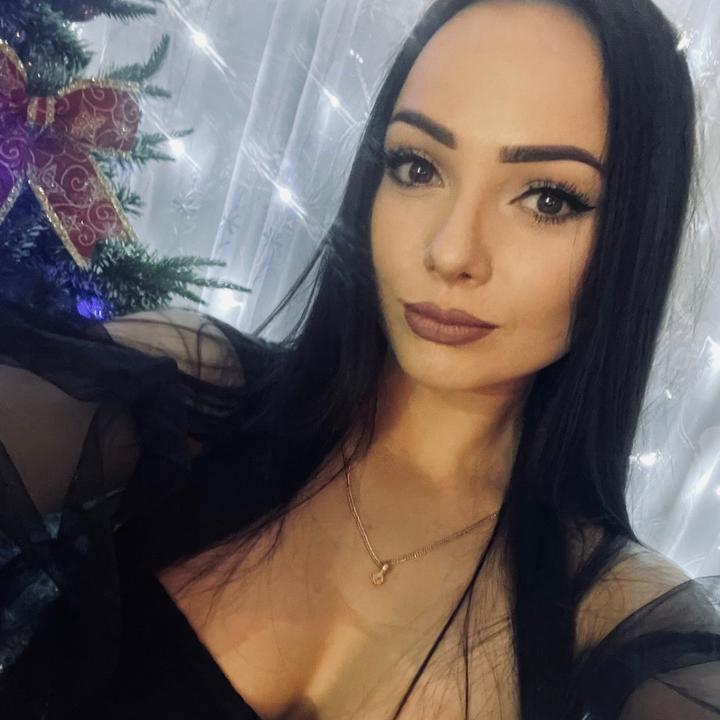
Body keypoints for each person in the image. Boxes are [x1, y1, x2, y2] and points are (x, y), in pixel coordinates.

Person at [0, 0, 719, 718]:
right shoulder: (193, 387)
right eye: (418, 165)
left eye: (548, 199)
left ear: (633, 237)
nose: (450, 251)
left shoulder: (628, 617)